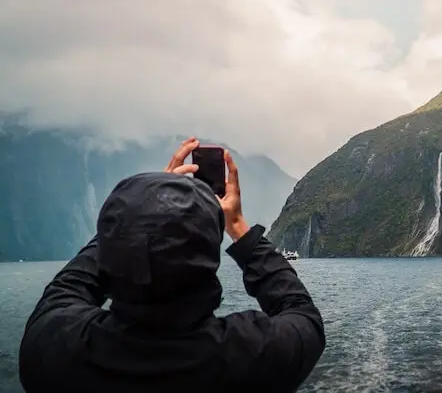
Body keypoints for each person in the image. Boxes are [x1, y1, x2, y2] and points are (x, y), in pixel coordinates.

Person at [18, 137, 325, 393]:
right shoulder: (254, 356)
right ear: (207, 263)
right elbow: (302, 313)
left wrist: (140, 210)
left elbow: (66, 289)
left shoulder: (53, 352)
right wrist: (238, 226)